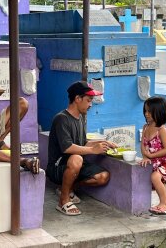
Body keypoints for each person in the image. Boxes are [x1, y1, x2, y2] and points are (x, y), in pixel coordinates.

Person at [46, 81, 117, 216]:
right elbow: (67, 148)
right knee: (76, 158)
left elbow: (83, 143)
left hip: (75, 165)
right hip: (58, 167)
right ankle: (63, 200)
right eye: (89, 100)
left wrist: (104, 142)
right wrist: (92, 150)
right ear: (77, 99)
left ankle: (66, 188)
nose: (90, 104)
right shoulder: (61, 119)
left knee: (103, 177)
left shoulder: (80, 118)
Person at [139, 96, 166, 219]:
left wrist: (151, 155)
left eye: (150, 111)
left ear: (159, 112)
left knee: (155, 177)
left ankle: (163, 204)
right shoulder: (145, 127)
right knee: (162, 187)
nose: (147, 114)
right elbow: (143, 145)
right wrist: (145, 156)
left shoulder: (161, 130)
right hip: (155, 163)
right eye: (145, 111)